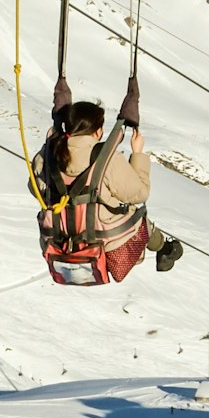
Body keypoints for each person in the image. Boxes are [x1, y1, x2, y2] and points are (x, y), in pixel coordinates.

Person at [37, 95, 183, 283]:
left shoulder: (50, 155)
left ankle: (164, 248)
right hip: (107, 244)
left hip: (59, 240)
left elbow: (36, 189)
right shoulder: (105, 159)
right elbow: (139, 194)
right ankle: (163, 248)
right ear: (97, 132)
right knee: (138, 218)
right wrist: (137, 154)